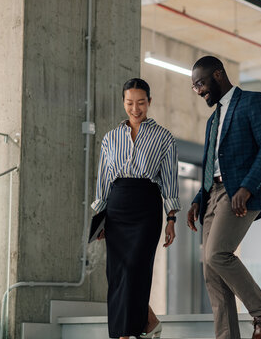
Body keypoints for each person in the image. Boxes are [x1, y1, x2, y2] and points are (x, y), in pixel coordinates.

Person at [187, 56, 261, 339]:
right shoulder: (212, 119)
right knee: (211, 270)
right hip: (212, 194)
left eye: (200, 84)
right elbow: (212, 164)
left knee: (217, 253)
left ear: (217, 75)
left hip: (238, 191)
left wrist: (247, 186)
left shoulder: (253, 102)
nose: (199, 91)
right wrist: (196, 199)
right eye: (194, 88)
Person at [92, 78, 180, 339]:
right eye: (130, 103)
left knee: (135, 270)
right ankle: (148, 324)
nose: (135, 108)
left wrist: (171, 218)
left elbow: (170, 180)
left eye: (141, 103)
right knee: (117, 275)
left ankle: (128, 333)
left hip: (146, 208)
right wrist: (99, 218)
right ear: (123, 102)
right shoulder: (110, 138)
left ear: (150, 102)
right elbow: (104, 180)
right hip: (116, 208)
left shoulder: (164, 138)